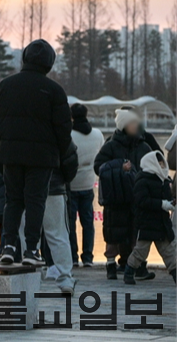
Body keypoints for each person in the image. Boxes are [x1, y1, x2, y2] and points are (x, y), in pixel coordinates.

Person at [0, 39, 72, 266]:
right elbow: (64, 130)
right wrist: (57, 152)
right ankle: (31, 249)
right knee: (36, 201)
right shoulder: (54, 91)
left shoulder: (6, 85)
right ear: (49, 63)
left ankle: (8, 246)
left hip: (10, 154)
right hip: (42, 158)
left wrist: (4, 141)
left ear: (24, 57)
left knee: (13, 200)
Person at [94, 109, 152, 280]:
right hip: (116, 198)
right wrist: (119, 166)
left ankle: (137, 266)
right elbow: (98, 166)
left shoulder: (143, 145)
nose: (136, 126)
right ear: (124, 125)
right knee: (113, 233)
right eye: (133, 123)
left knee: (136, 234)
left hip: (136, 197)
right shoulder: (110, 145)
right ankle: (111, 265)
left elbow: (153, 165)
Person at [33, 142, 79, 295]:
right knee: (58, 234)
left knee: (27, 235)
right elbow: (70, 156)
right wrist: (63, 179)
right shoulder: (55, 128)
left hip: (24, 186)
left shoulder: (15, 127)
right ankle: (65, 278)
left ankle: (28, 277)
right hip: (53, 183)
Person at [124, 151, 176, 284]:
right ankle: (128, 272)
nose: (161, 166)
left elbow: (167, 197)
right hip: (146, 223)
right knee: (140, 252)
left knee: (169, 253)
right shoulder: (142, 180)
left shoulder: (165, 180)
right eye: (159, 164)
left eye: (162, 164)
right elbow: (141, 201)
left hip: (162, 224)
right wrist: (161, 204)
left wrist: (171, 203)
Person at [68, 103, 104, 267]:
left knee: (70, 223)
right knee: (88, 222)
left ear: (71, 116)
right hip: (89, 183)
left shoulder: (69, 135)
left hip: (71, 184)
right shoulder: (97, 134)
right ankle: (88, 257)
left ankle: (73, 257)